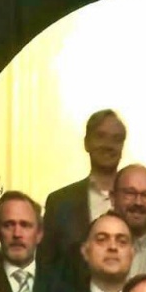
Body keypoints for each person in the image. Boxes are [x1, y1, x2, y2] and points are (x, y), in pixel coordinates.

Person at [39, 109, 127, 266]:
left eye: (116, 139)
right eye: (101, 136)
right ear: (86, 143)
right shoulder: (59, 203)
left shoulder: (139, 203)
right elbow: (46, 264)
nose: (108, 145)